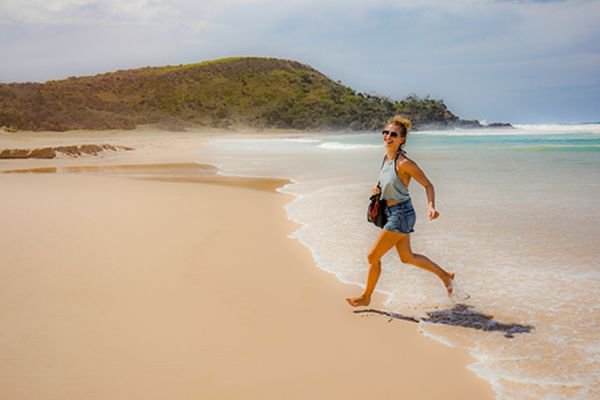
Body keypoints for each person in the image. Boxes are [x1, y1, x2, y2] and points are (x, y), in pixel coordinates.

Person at [346, 116, 455, 307]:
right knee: (407, 257)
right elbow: (387, 182)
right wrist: (377, 190)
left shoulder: (404, 163)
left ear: (401, 139)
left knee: (372, 256)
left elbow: (428, 185)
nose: (388, 136)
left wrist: (431, 206)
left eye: (393, 134)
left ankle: (366, 297)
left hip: (401, 214)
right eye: (385, 132)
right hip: (391, 212)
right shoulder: (386, 159)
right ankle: (445, 276)